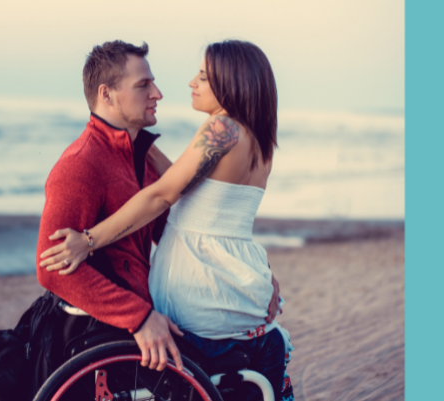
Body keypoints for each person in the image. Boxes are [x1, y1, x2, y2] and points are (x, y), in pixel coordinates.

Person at [39, 40, 293, 401]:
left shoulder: (221, 129)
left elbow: (163, 196)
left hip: (201, 294)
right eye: (144, 85)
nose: (190, 83)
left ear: (231, 82)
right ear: (107, 94)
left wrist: (89, 239)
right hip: (236, 284)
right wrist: (260, 272)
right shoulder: (257, 139)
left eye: (204, 76)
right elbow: (202, 203)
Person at [33, 40, 188, 375]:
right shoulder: (80, 164)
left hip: (147, 311)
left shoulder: (140, 159)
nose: (157, 93)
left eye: (153, 82)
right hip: (100, 334)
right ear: (106, 94)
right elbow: (51, 269)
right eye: (143, 85)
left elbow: (175, 234)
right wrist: (139, 317)